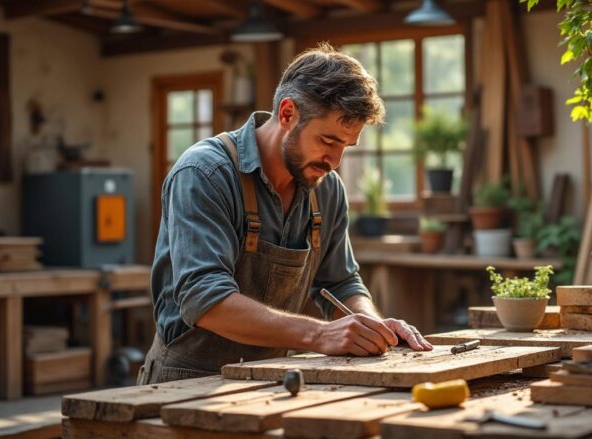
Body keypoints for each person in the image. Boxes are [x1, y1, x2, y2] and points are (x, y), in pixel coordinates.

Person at [139, 43, 433, 385]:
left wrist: (370, 326)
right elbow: (205, 299)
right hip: (185, 380)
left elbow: (340, 282)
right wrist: (321, 335)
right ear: (287, 113)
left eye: (345, 147)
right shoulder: (204, 173)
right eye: (327, 141)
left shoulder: (327, 189)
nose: (334, 162)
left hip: (273, 379)